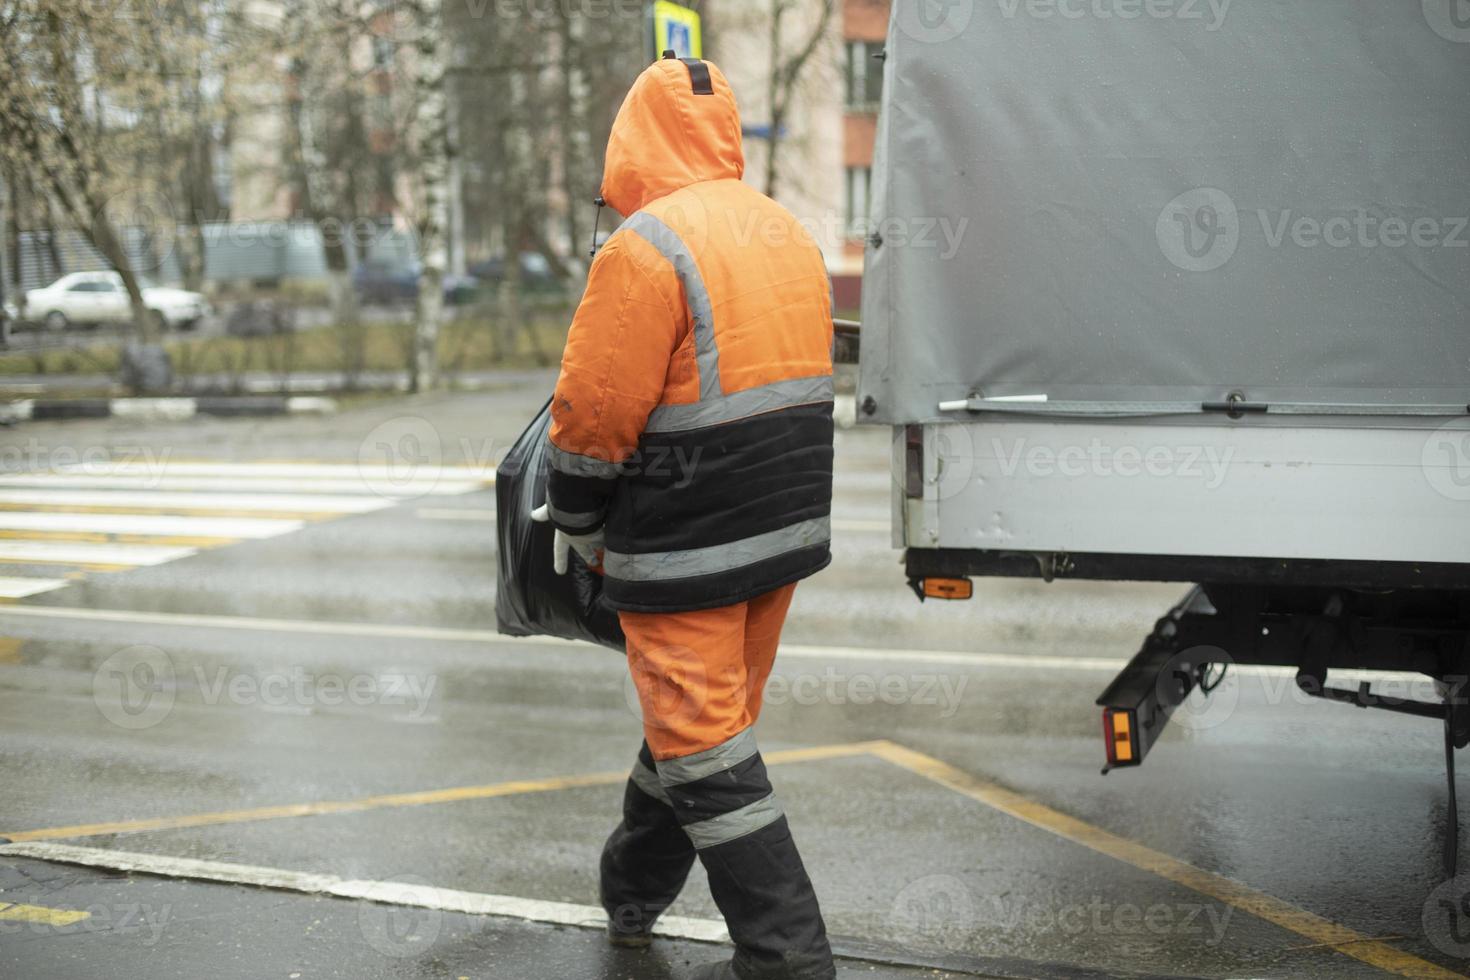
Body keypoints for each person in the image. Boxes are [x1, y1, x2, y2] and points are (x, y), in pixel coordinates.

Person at [531, 50, 837, 980]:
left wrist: (577, 524)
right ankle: (631, 890)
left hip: (686, 546)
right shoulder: (785, 229)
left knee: (704, 749)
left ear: (633, 143)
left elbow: (588, 422)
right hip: (781, 537)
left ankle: (790, 958)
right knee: (700, 727)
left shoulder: (646, 247)